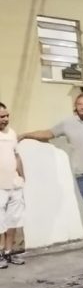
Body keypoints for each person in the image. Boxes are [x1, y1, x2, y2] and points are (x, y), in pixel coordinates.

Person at [20, 93, 83, 251]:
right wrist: (26, 134)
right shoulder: (68, 123)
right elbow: (48, 133)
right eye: (79, 104)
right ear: (75, 106)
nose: (82, 107)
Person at [0, 102, 26, 266]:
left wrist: (22, 176)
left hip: (14, 184)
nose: (5, 119)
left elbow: (16, 156)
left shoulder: (11, 133)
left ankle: (10, 252)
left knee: (14, 219)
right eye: (1, 116)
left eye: (7, 115)